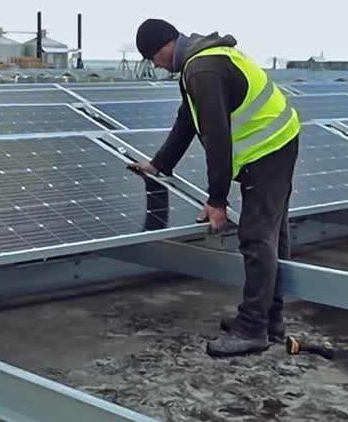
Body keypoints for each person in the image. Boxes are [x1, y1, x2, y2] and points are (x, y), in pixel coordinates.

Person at [129, 18, 301, 357]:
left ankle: (253, 329)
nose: (155, 66)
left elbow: (217, 137)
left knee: (257, 239)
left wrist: (217, 200)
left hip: (268, 151)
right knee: (271, 236)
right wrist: (160, 163)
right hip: (279, 142)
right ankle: (270, 319)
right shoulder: (200, 60)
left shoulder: (202, 70)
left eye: (153, 57)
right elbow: (187, 118)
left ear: (164, 46)